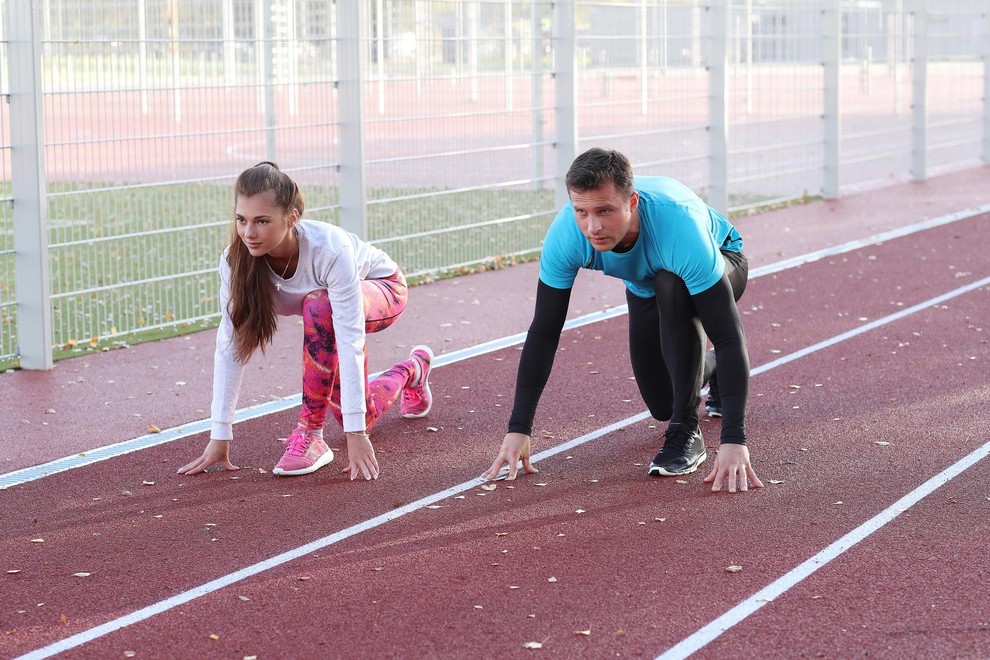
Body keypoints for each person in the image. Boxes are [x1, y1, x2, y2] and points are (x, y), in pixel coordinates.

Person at [482, 148, 762, 493]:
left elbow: (728, 336)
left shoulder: (679, 228)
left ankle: (686, 430)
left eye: (605, 211)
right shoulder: (567, 236)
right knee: (662, 403)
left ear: (631, 203)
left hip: (722, 259)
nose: (593, 226)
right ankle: (711, 371)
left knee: (671, 284)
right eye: (581, 211)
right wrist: (519, 428)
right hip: (645, 283)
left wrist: (734, 439)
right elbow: (544, 331)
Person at [178, 161, 434, 480]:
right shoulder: (235, 263)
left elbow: (350, 338)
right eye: (241, 220)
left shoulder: (328, 249)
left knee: (319, 304)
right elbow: (230, 346)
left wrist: (355, 436)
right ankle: (413, 369)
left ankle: (311, 433)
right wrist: (220, 434)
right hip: (326, 323)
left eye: (262, 221)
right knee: (363, 415)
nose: (248, 232)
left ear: (292, 218)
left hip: (384, 289)